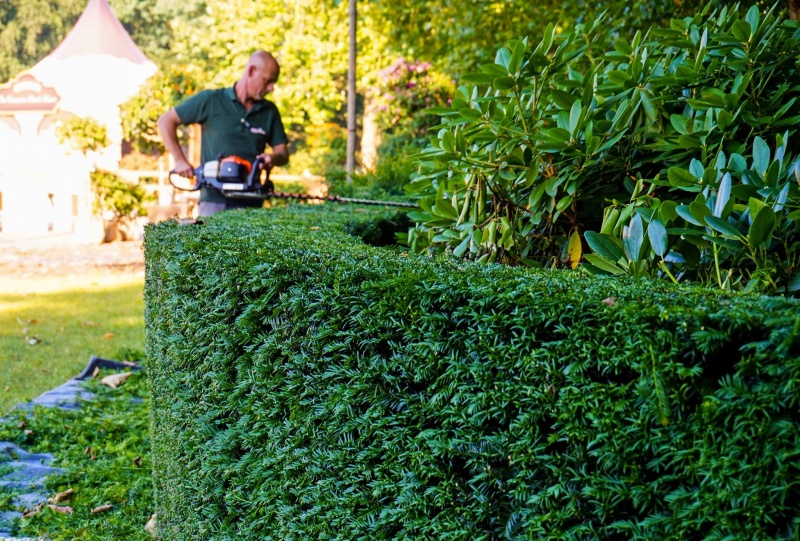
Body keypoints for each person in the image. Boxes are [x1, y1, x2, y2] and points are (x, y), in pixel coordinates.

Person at [158, 50, 289, 216]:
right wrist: (180, 160)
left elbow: (282, 153)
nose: (270, 88)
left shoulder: (269, 111)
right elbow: (165, 121)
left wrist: (272, 158)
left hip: (252, 202)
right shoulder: (211, 100)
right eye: (267, 81)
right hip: (214, 201)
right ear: (251, 71)